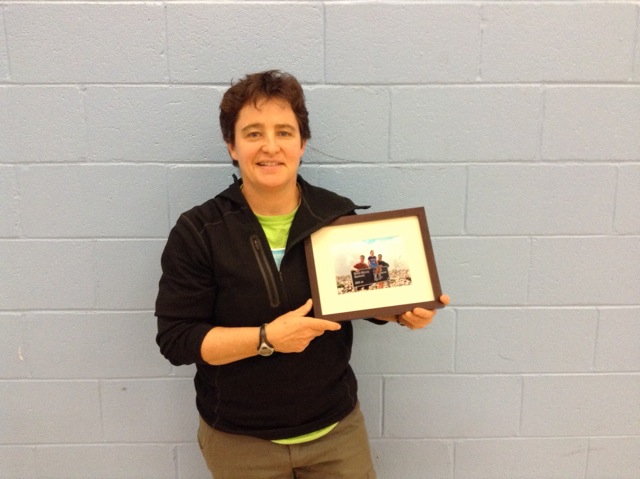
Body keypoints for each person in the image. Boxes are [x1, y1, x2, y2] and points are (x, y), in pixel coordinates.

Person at [155, 70, 450, 479]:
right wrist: (266, 339)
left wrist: (402, 311)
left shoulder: (335, 217)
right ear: (232, 146)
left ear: (302, 143)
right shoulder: (198, 231)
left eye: (284, 132)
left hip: (337, 434)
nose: (270, 146)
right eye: (253, 133)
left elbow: (358, 299)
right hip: (239, 442)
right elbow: (177, 340)